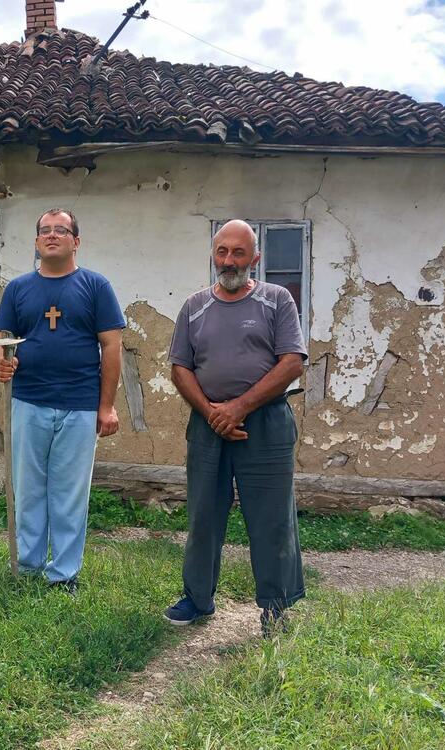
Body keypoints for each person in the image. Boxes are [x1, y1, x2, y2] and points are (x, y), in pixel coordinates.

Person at [163, 219, 307, 636]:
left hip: (266, 422)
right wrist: (214, 414)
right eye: (222, 251)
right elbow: (180, 368)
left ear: (255, 258)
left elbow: (292, 362)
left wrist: (239, 407)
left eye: (238, 252)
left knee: (272, 516)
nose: (229, 261)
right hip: (207, 424)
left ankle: (276, 606)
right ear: (214, 255)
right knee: (203, 514)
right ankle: (197, 598)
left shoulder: (277, 300)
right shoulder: (194, 306)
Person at [0, 208, 125, 593]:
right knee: (28, 489)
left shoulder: (95, 286)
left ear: (75, 241)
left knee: (69, 494)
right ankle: (28, 566)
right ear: (36, 241)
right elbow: (0, 339)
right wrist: (0, 362)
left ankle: (63, 574)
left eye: (61, 230)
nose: (52, 235)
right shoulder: (18, 289)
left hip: (80, 404)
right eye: (45, 230)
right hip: (28, 401)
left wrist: (106, 406)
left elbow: (111, 346)